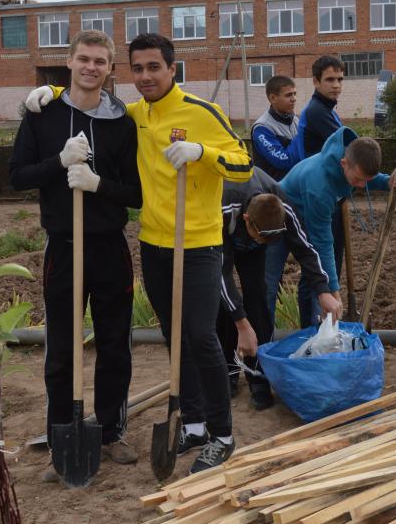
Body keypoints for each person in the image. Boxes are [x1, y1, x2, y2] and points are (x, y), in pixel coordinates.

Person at [26, 32, 253, 474]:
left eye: (155, 67)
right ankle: (191, 421)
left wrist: (202, 152)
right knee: (175, 338)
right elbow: (89, 98)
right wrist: (52, 90)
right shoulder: (135, 114)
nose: (146, 76)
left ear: (173, 69)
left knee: (203, 337)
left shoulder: (202, 112)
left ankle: (222, 434)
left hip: (199, 243)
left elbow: (244, 162)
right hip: (153, 243)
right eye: (139, 68)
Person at [9, 29, 143, 474]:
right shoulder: (42, 116)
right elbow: (18, 176)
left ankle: (110, 431)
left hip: (108, 247)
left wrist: (98, 183)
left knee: (114, 345)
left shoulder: (121, 124)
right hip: (63, 247)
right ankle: (61, 435)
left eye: (100, 62)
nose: (91, 68)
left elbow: (135, 194)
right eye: (83, 59)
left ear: (109, 69)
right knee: (62, 349)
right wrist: (60, 163)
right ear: (69, 62)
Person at [217, 168, 340, 409]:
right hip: (222, 236)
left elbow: (305, 249)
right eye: (261, 237)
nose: (265, 242)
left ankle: (258, 377)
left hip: (251, 248)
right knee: (221, 303)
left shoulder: (282, 204)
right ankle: (229, 370)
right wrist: (241, 323)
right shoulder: (222, 207)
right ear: (247, 221)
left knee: (258, 298)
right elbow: (219, 274)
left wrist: (323, 290)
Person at [279, 128, 396, 328]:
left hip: (308, 215)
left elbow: (364, 177)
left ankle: (315, 329)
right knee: (269, 283)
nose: (360, 185)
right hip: (279, 219)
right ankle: (268, 339)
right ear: (343, 164)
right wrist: (334, 292)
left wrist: (388, 182)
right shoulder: (319, 185)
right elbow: (322, 242)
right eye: (357, 180)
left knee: (314, 276)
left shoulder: (350, 161)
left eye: (366, 180)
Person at [266, 56, 348, 321]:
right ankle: (311, 326)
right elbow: (351, 154)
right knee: (317, 264)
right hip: (310, 200)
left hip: (319, 196)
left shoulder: (327, 110)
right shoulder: (317, 113)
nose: (336, 85)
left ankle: (310, 326)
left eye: (340, 79)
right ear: (315, 81)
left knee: (316, 265)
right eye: (330, 80)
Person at [250, 75, 299, 180]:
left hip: (295, 185)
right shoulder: (262, 128)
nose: (294, 99)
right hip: (272, 190)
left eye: (295, 94)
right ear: (273, 98)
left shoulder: (295, 120)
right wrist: (302, 135)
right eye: (288, 95)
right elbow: (284, 161)